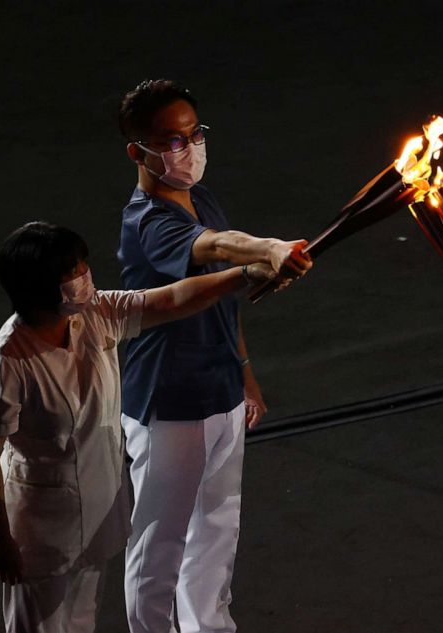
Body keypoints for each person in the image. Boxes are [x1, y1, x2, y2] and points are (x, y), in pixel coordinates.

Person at [0, 221, 290, 633]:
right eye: (71, 271)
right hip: (40, 528)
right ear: (37, 286)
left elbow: (172, 299)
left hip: (98, 508)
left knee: (82, 620)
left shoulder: (95, 315)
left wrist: (244, 274)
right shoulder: (5, 361)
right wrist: (0, 539)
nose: (84, 275)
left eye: (81, 264)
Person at [116, 79, 312, 633]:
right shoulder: (146, 222)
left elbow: (225, 295)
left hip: (221, 389)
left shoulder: (200, 198)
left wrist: (245, 372)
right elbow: (219, 249)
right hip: (169, 402)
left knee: (217, 531)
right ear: (139, 152)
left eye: (194, 134)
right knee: (159, 545)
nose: (189, 149)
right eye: (172, 141)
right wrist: (269, 250)